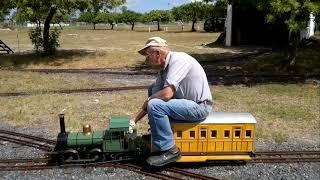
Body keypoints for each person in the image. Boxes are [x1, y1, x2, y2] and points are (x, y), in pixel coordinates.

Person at [130, 37, 212, 167]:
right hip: (184, 105)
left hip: (199, 107)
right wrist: (133, 121)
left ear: (157, 53)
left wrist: (150, 100)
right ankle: (159, 136)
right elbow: (153, 96)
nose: (146, 59)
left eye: (147, 54)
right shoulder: (163, 70)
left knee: (155, 104)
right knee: (153, 90)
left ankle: (170, 150)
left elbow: (167, 94)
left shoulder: (179, 60)